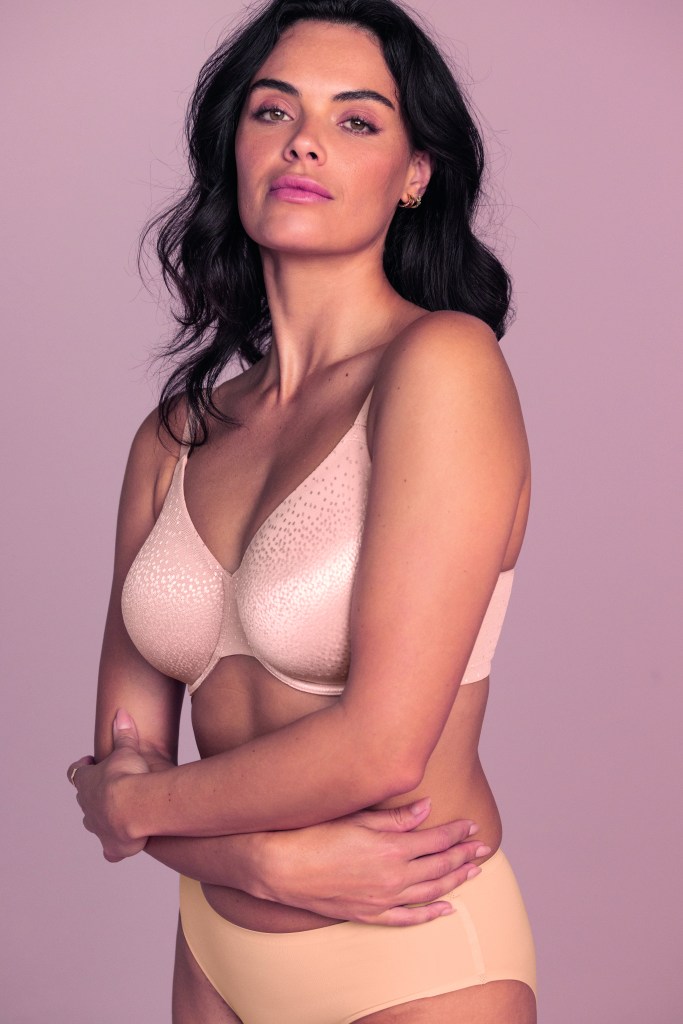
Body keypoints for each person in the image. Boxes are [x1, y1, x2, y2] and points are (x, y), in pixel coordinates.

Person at [68, 0, 536, 1020]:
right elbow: (121, 761)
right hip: (213, 951)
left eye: (355, 119)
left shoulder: (443, 365)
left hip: (412, 956)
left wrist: (136, 805)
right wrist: (254, 861)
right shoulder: (173, 437)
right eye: (272, 111)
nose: (304, 141)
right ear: (233, 146)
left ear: (414, 174)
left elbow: (379, 747)